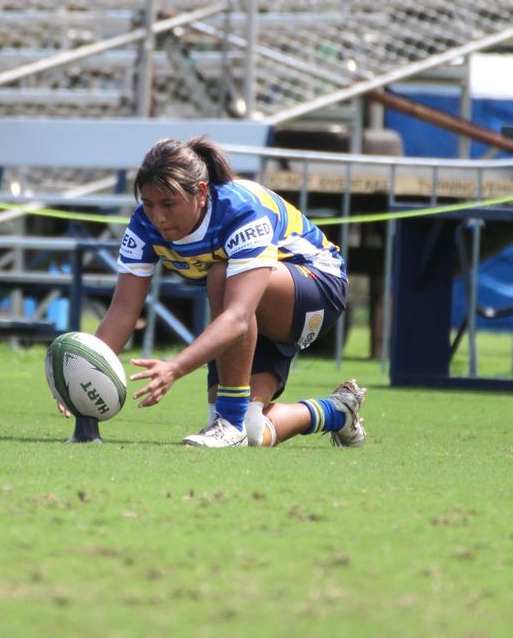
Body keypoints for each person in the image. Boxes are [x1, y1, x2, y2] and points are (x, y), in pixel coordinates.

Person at [59, 135, 367, 448]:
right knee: (254, 431)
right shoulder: (144, 226)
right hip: (245, 303)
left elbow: (237, 316)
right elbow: (123, 311)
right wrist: (85, 372)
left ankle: (230, 423)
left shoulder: (240, 211)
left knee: (221, 274)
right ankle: (338, 411)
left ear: (202, 193)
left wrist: (175, 367)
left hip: (317, 287)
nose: (159, 217)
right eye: (149, 204)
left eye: (168, 204)